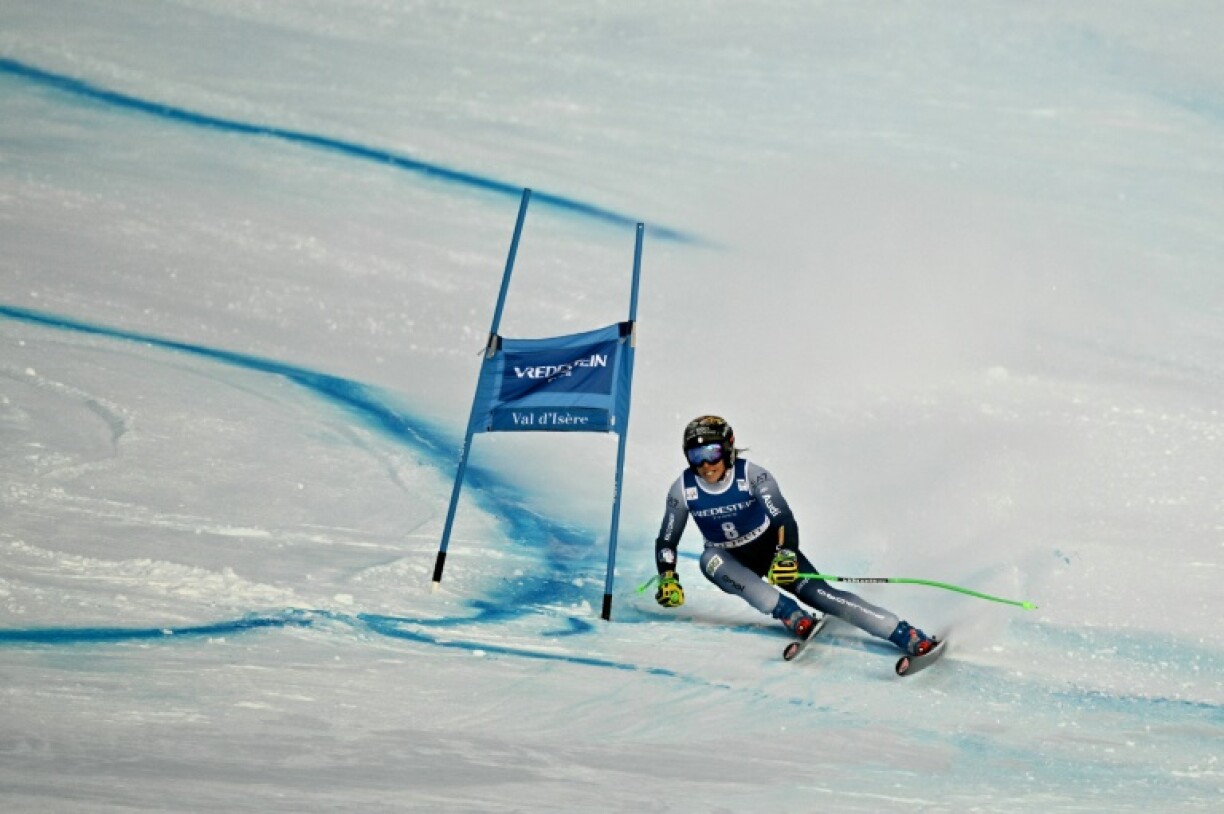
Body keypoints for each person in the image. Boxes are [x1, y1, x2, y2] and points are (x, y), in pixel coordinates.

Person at [652, 415, 936, 656]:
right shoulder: (683, 489)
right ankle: (789, 613)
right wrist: (667, 577)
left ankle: (904, 634)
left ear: (728, 448)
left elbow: (783, 518)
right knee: (709, 559)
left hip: (770, 550)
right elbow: (667, 539)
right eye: (695, 457)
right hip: (729, 559)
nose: (705, 465)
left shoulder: (752, 475)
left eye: (711, 453)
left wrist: (786, 553)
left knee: (823, 597)